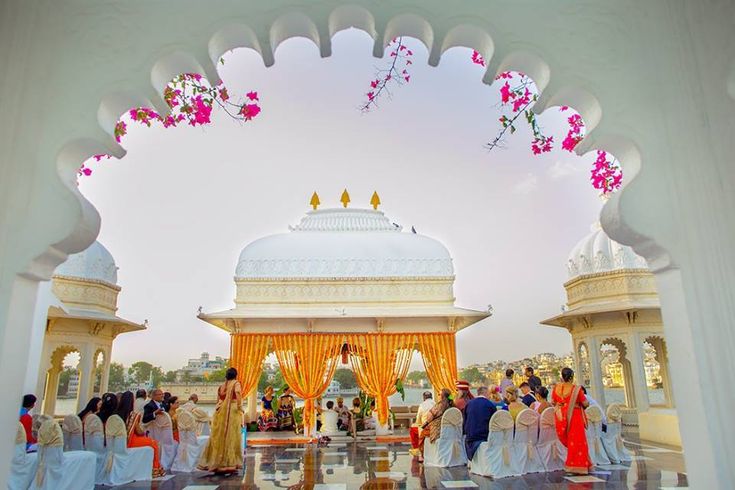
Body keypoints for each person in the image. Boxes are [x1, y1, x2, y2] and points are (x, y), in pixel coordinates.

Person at [197, 367, 244, 474]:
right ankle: (229, 463)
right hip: (231, 410)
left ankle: (214, 462)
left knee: (218, 436)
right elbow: (238, 393)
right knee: (231, 436)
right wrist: (240, 406)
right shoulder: (236, 383)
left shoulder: (222, 386)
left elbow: (218, 400)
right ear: (235, 375)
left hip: (220, 411)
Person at [552, 367, 593, 475]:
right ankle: (578, 466)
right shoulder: (576, 389)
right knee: (578, 441)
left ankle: (576, 465)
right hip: (574, 416)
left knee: (571, 441)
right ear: (571, 377)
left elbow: (553, 401)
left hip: (562, 416)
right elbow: (585, 403)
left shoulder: (556, 388)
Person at [117, 390, 165, 478]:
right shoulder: (132, 415)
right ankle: (155, 469)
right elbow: (138, 431)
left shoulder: (115, 414)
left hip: (117, 442)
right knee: (153, 443)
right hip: (129, 441)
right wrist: (144, 432)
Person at [418, 388, 452, 463]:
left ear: (442, 396)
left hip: (437, 431)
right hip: (450, 432)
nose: (438, 395)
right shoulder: (453, 406)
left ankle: (422, 455)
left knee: (422, 435)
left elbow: (429, 418)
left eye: (439, 394)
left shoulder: (438, 406)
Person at [463, 386, 497, 460]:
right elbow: (494, 422)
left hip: (470, 436)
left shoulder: (469, 404)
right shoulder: (490, 404)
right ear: (486, 393)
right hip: (483, 435)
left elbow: (465, 420)